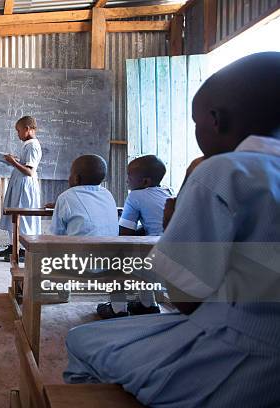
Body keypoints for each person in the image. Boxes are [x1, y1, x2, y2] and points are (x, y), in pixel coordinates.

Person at [64, 52, 280, 408]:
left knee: (83, 341)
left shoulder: (223, 172)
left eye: (196, 122)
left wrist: (172, 224)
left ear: (215, 120)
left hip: (242, 357)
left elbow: (184, 298)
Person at [97, 155, 172, 319]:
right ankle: (148, 305)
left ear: (145, 182)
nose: (126, 181)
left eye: (129, 176)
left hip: (157, 255)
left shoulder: (135, 196)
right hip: (175, 252)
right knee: (142, 255)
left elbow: (125, 234)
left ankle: (118, 309)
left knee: (116, 260)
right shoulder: (168, 191)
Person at [0, 116, 42, 263]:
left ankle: (22, 250)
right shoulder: (27, 144)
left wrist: (13, 162)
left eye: (18, 131)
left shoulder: (33, 146)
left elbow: (29, 171)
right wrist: (14, 160)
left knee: (23, 216)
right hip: (19, 185)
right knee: (14, 215)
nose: (17, 134)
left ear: (27, 129)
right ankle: (13, 246)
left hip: (25, 186)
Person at [50, 154, 118, 237]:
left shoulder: (66, 197)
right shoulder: (107, 194)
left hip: (81, 249)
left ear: (76, 179)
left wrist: (60, 206)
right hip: (112, 247)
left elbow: (57, 233)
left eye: (70, 174)